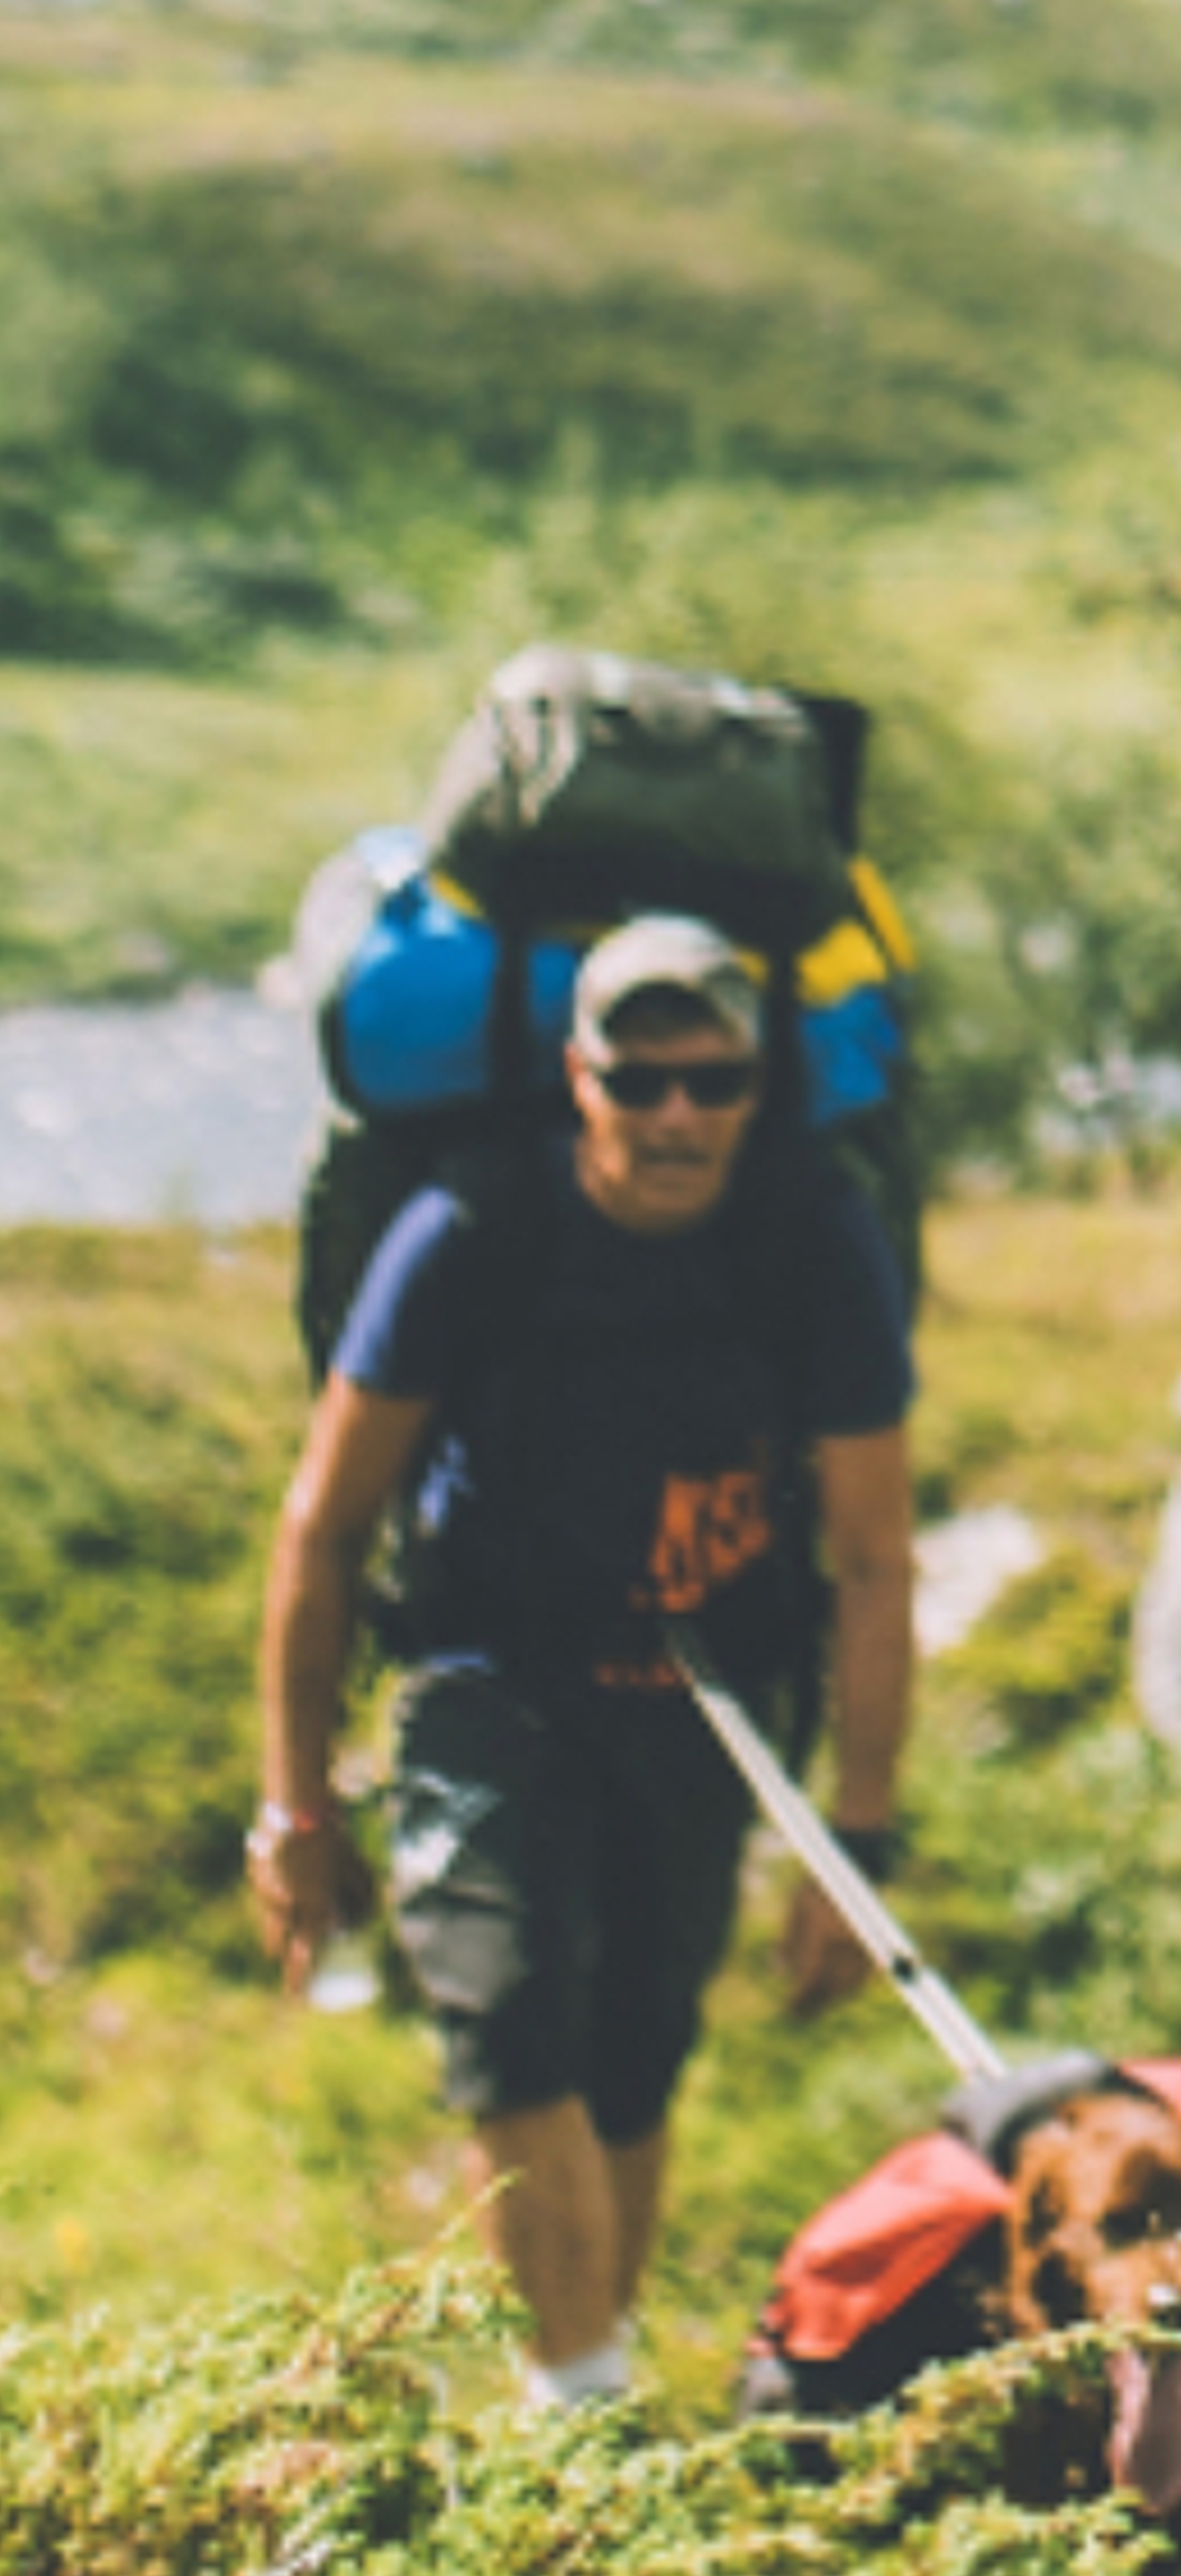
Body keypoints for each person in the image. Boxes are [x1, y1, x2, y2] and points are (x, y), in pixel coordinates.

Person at [251, 912, 917, 2409]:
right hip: (494, 1675)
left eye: (715, 1081)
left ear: (759, 1084)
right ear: (578, 1078)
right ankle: (589, 2410)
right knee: (508, 2018)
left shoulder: (813, 1237)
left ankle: (588, 2425)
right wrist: (295, 1807)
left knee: (633, 2056)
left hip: (712, 1697)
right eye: (641, 1079)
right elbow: (325, 1530)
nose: (679, 1114)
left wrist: (857, 1842)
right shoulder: (472, 1231)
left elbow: (874, 1556)